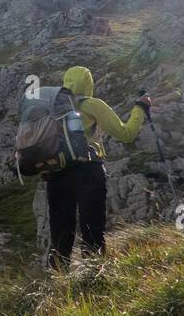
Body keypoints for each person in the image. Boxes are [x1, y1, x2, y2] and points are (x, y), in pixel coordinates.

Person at [44, 66, 151, 269]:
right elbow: (126, 134)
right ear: (88, 83)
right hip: (88, 171)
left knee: (60, 234)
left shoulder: (50, 107)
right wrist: (140, 108)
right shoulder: (92, 104)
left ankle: (56, 286)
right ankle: (93, 278)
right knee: (92, 228)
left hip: (57, 173)